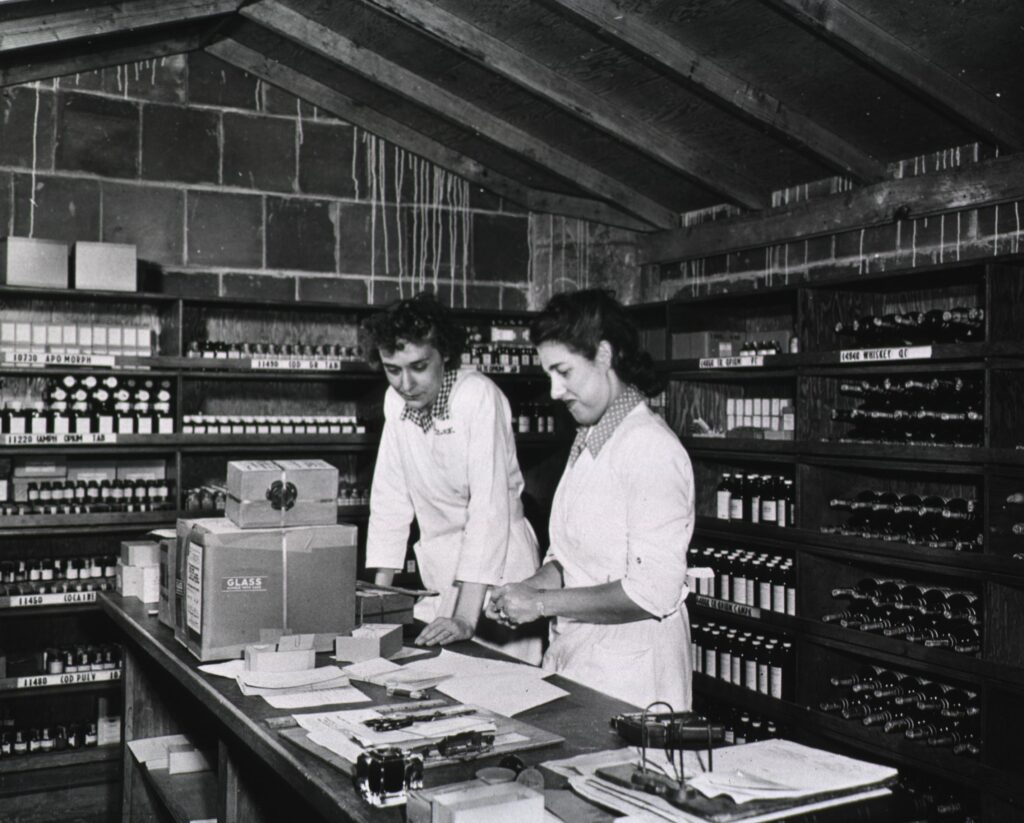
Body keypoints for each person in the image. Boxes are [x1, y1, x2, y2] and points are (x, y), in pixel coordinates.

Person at [489, 289, 693, 709]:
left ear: (603, 355)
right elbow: (572, 559)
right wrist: (524, 589)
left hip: (633, 681)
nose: (554, 391)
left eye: (563, 371)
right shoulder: (590, 437)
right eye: (549, 374)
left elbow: (652, 591)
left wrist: (541, 604)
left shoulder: (651, 448)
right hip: (579, 659)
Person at [361, 294, 542, 663]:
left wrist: (464, 616)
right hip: (443, 571)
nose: (406, 383)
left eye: (418, 366)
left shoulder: (476, 396)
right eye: (392, 369)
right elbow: (390, 500)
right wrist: (377, 604)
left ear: (444, 354)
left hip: (499, 573)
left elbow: (489, 509)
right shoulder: (395, 402)